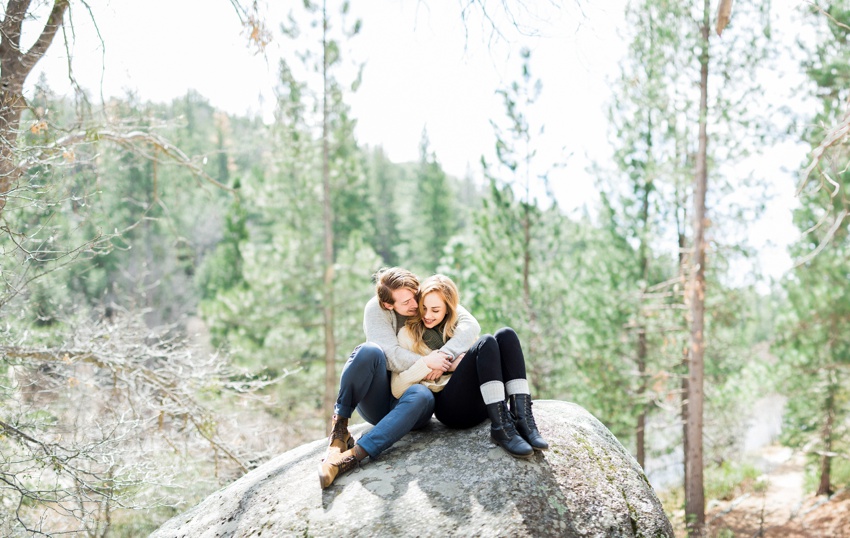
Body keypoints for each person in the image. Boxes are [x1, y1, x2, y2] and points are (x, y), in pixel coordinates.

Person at [318, 267, 481, 489]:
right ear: (388, 305)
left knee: (422, 395)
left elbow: (470, 325)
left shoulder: (424, 299)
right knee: (369, 351)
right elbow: (389, 356)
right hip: (380, 400)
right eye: (406, 303)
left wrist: (444, 356)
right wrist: (426, 362)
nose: (416, 306)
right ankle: (339, 430)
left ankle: (352, 457)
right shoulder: (376, 310)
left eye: (415, 296)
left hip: (415, 404)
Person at [393, 274, 548, 458]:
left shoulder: (460, 329)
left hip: (487, 402)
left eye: (435, 310)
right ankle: (501, 429)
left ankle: (523, 419)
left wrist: (454, 362)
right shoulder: (407, 334)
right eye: (424, 308)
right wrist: (433, 365)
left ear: (448, 309)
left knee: (506, 334)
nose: (427, 315)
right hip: (452, 409)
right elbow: (397, 388)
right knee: (487, 341)